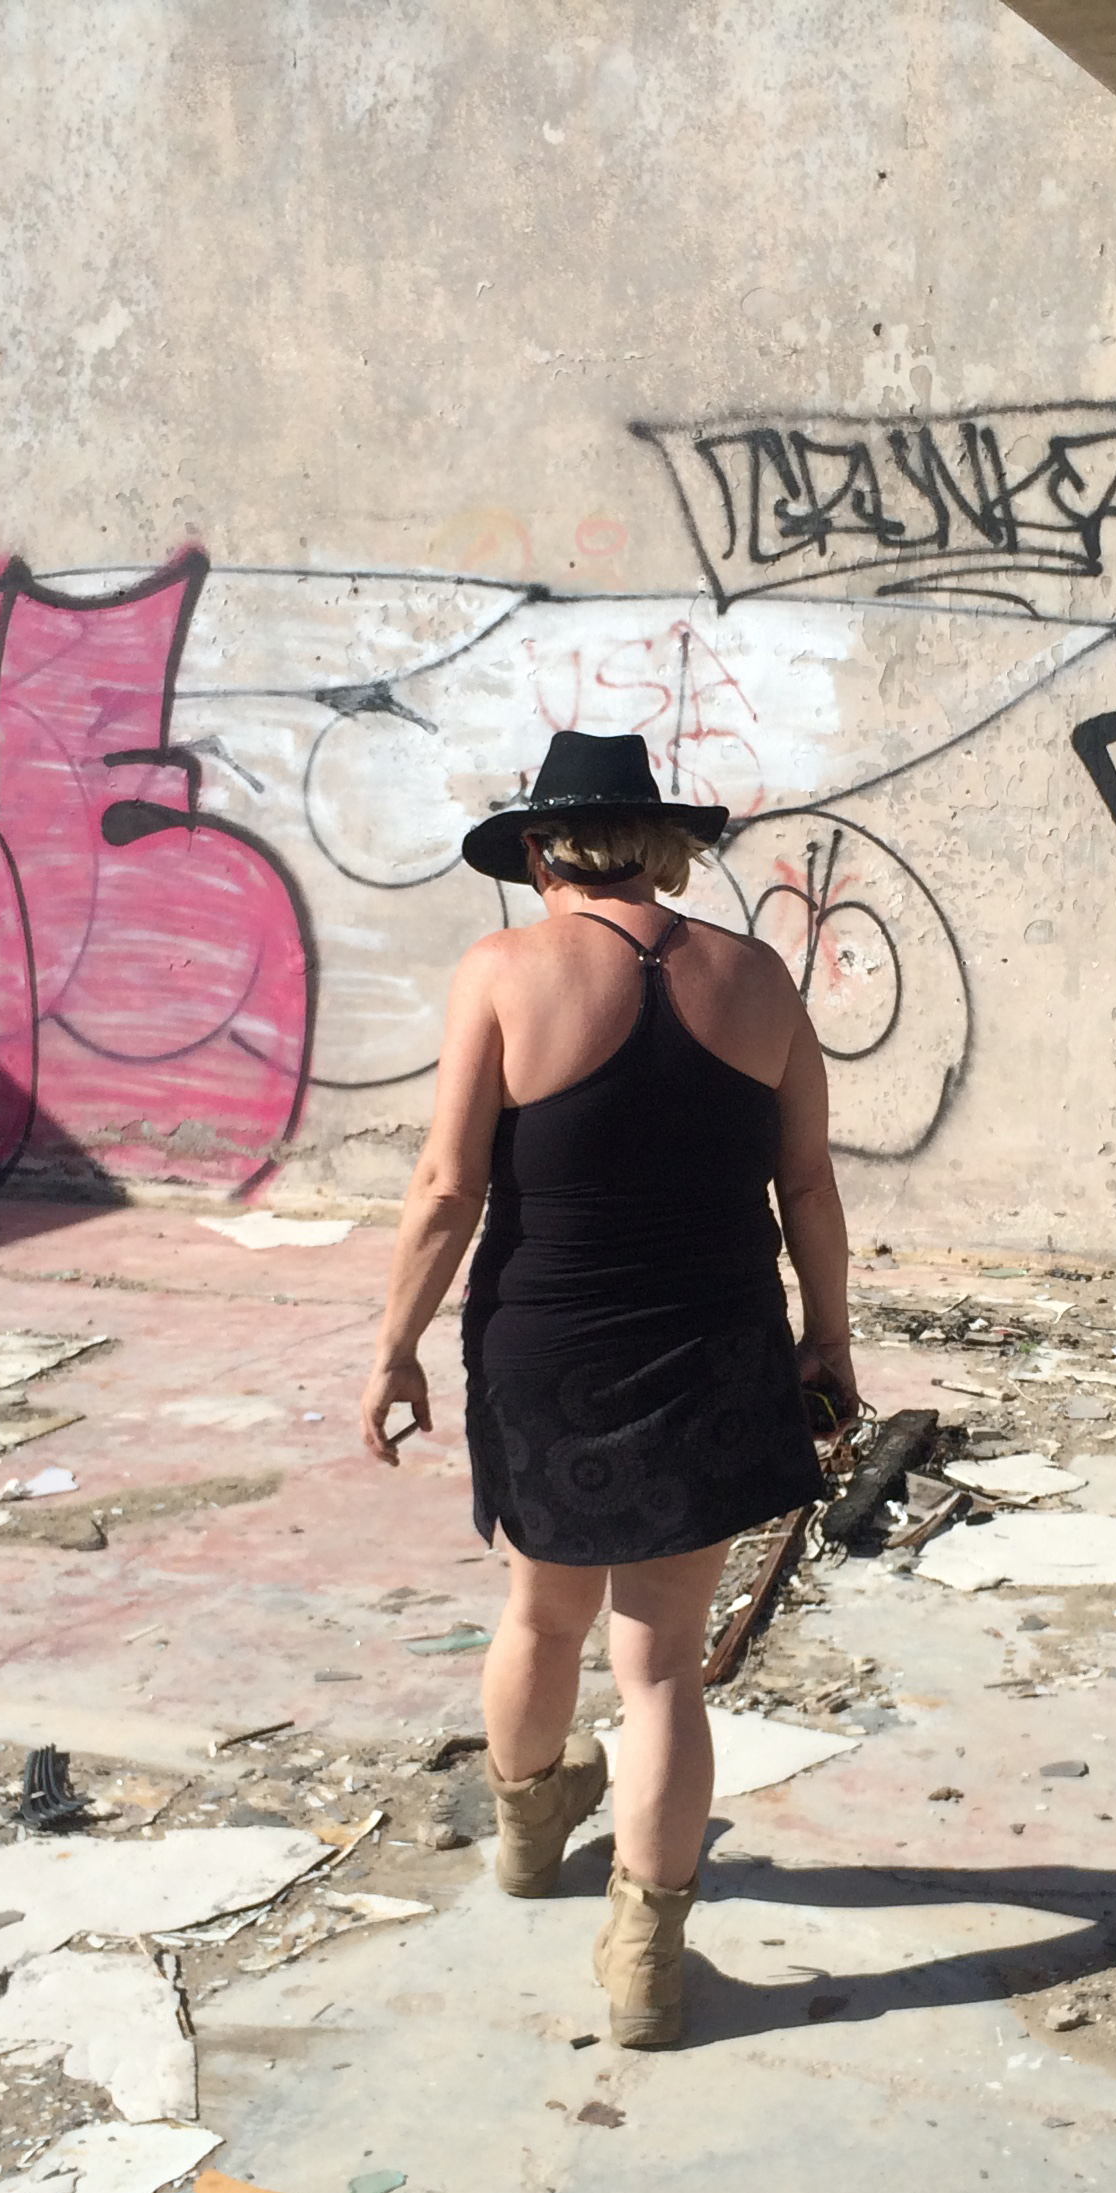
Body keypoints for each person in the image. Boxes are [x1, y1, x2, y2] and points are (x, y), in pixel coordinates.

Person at [359, 730, 855, 2047]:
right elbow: (809, 1183)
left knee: (541, 1614)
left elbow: (449, 1187)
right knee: (663, 1669)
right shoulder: (758, 978)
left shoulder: (504, 971)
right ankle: (646, 1960)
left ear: (539, 852)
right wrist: (829, 1339)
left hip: (549, 1352)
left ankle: (528, 1840)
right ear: (666, 848)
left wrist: (395, 1345)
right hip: (716, 1348)